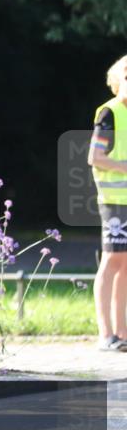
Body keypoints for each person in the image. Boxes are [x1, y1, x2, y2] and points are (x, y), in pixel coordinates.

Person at [88, 54, 127, 351]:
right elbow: (95, 157)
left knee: (125, 267)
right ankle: (106, 335)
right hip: (115, 202)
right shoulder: (109, 113)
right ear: (118, 81)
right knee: (112, 262)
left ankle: (122, 335)